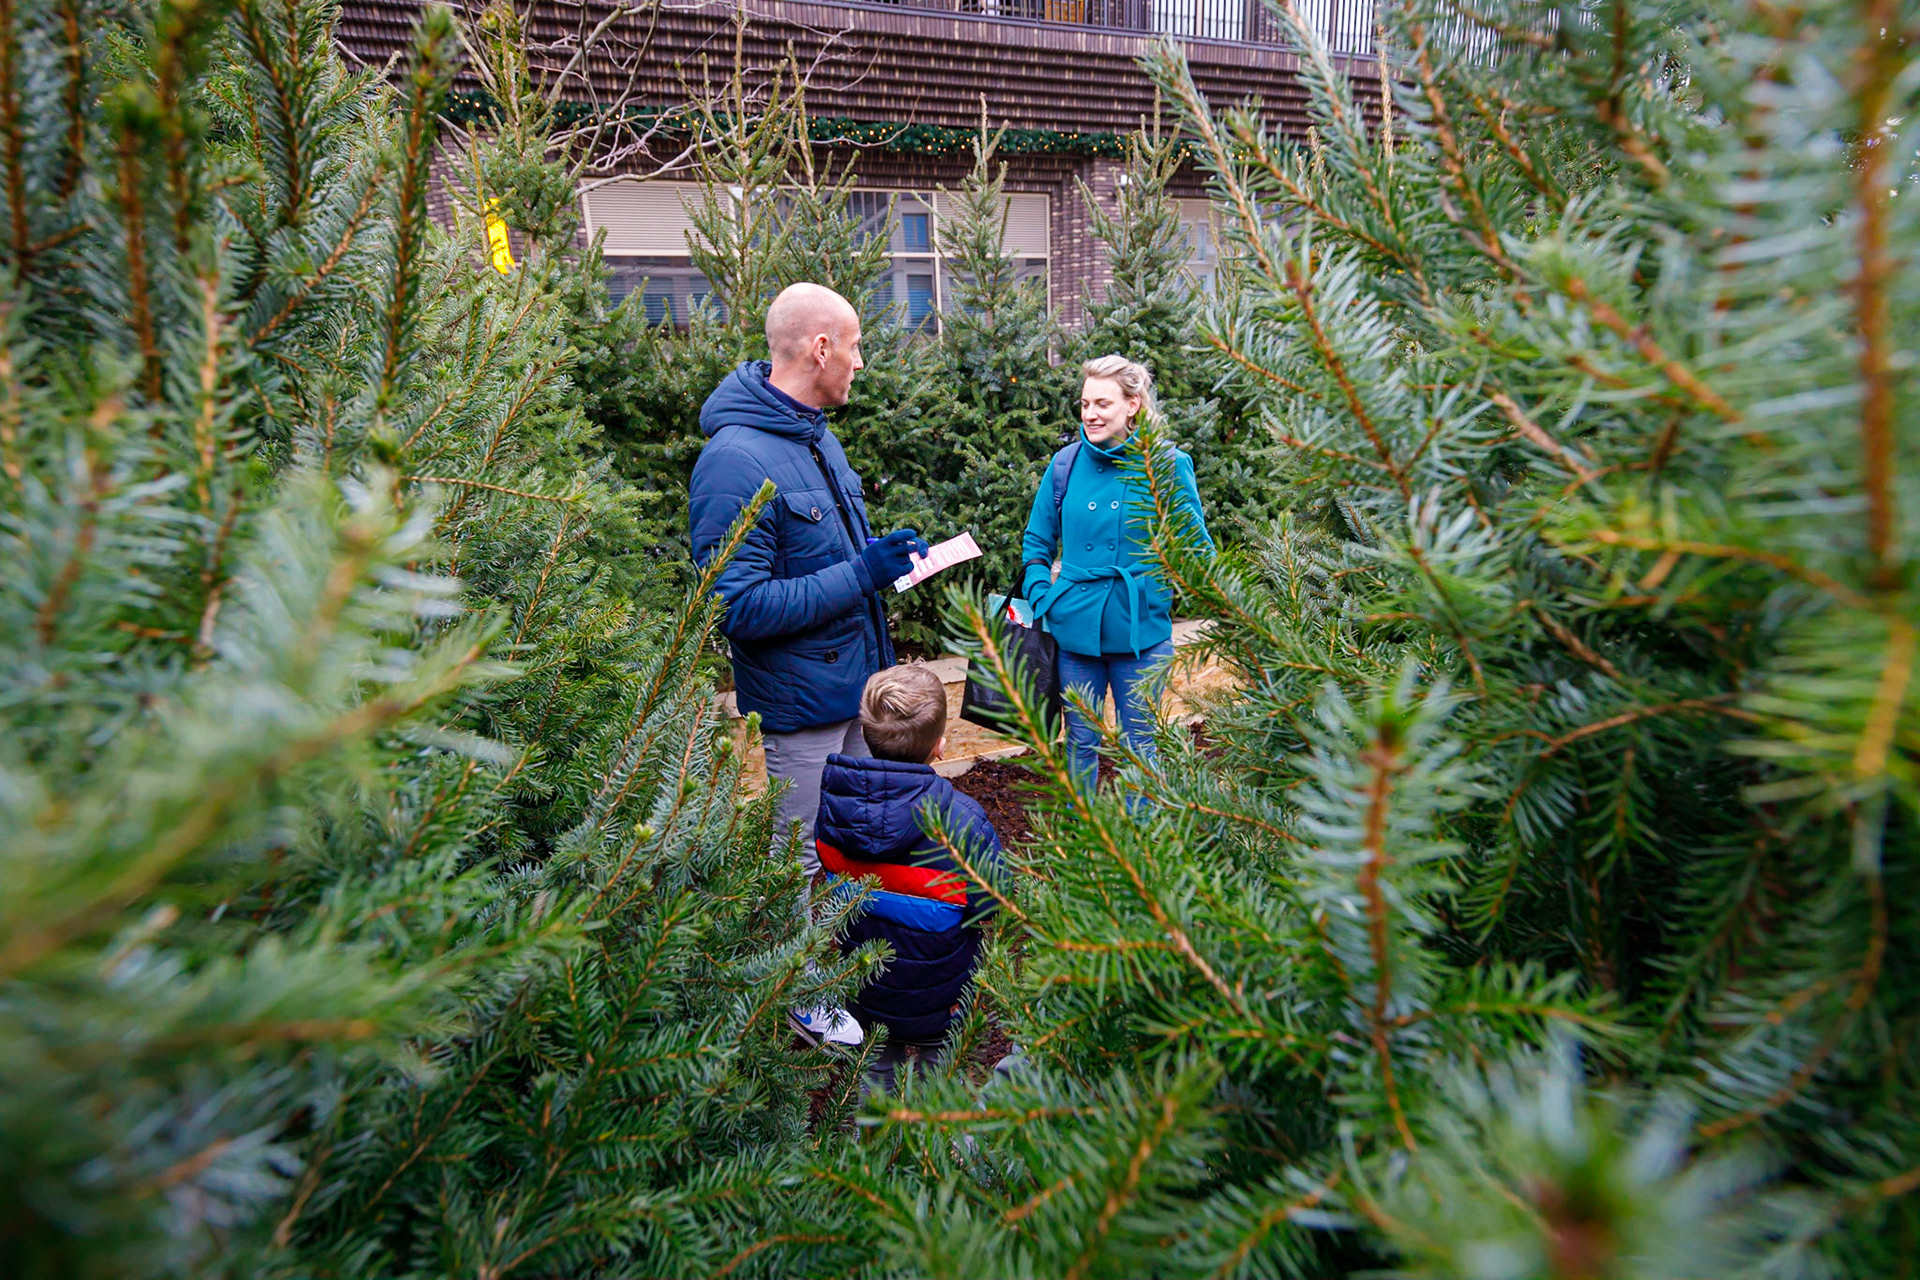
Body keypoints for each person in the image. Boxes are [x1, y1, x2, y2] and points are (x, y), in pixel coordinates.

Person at [688, 282, 927, 1046]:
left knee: (853, 846)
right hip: (801, 708)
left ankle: (853, 969)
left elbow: (830, 559)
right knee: (797, 859)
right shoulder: (733, 459)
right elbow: (739, 608)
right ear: (820, 348)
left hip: (852, 686)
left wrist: (884, 562)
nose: (861, 362)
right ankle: (801, 996)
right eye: (854, 346)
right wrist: (861, 573)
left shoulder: (815, 435)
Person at [1019, 355, 1212, 791]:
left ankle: (1141, 845)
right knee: (1079, 744)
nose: (1090, 414)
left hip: (1140, 631)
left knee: (1141, 745)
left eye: (1102, 404)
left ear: (1132, 405)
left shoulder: (1165, 464)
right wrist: (1042, 596)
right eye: (1085, 403)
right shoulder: (1065, 464)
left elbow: (1198, 549)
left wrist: (1171, 588)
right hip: (1074, 629)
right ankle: (1081, 837)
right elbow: (1036, 542)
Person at [814, 665, 1004, 1092]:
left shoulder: (832, 809)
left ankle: (876, 1153)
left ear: (865, 735)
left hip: (866, 987)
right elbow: (993, 903)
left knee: (875, 1078)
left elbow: (830, 885)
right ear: (939, 745)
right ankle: (941, 1156)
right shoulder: (964, 822)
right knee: (943, 1083)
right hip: (942, 997)